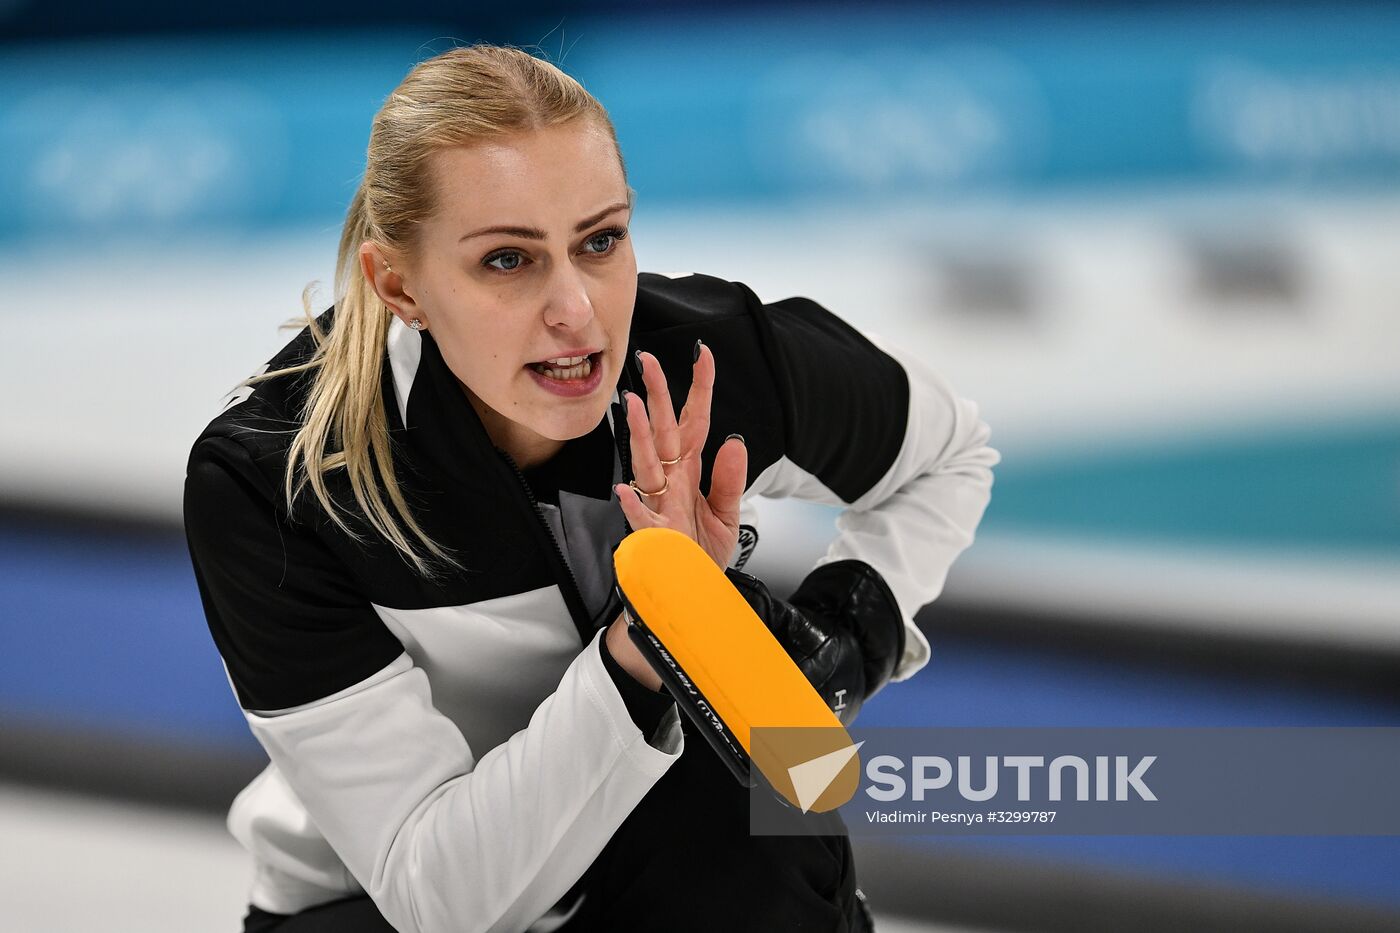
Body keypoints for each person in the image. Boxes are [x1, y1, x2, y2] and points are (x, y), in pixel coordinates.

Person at [182, 44, 998, 933]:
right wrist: (647, 641)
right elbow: (434, 898)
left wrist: (848, 639)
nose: (576, 309)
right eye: (507, 260)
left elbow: (950, 450)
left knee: (756, 812)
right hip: (374, 903)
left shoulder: (705, 362)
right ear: (398, 284)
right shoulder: (275, 481)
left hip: (656, 851)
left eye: (600, 240)